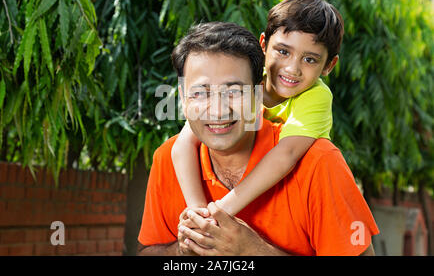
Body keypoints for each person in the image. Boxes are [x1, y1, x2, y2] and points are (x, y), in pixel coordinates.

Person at [137, 20, 379, 256]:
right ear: (183, 96)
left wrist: (253, 251)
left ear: (257, 93)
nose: (218, 110)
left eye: (234, 91)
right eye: (201, 93)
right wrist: (186, 247)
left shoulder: (319, 162)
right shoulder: (168, 159)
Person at [171, 0, 342, 217]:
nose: (292, 69)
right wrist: (197, 211)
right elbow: (183, 144)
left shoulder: (316, 96)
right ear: (264, 44)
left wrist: (222, 211)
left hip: (294, 192)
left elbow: (286, 155)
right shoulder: (245, 80)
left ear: (329, 65)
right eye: (283, 51)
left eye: (309, 59)